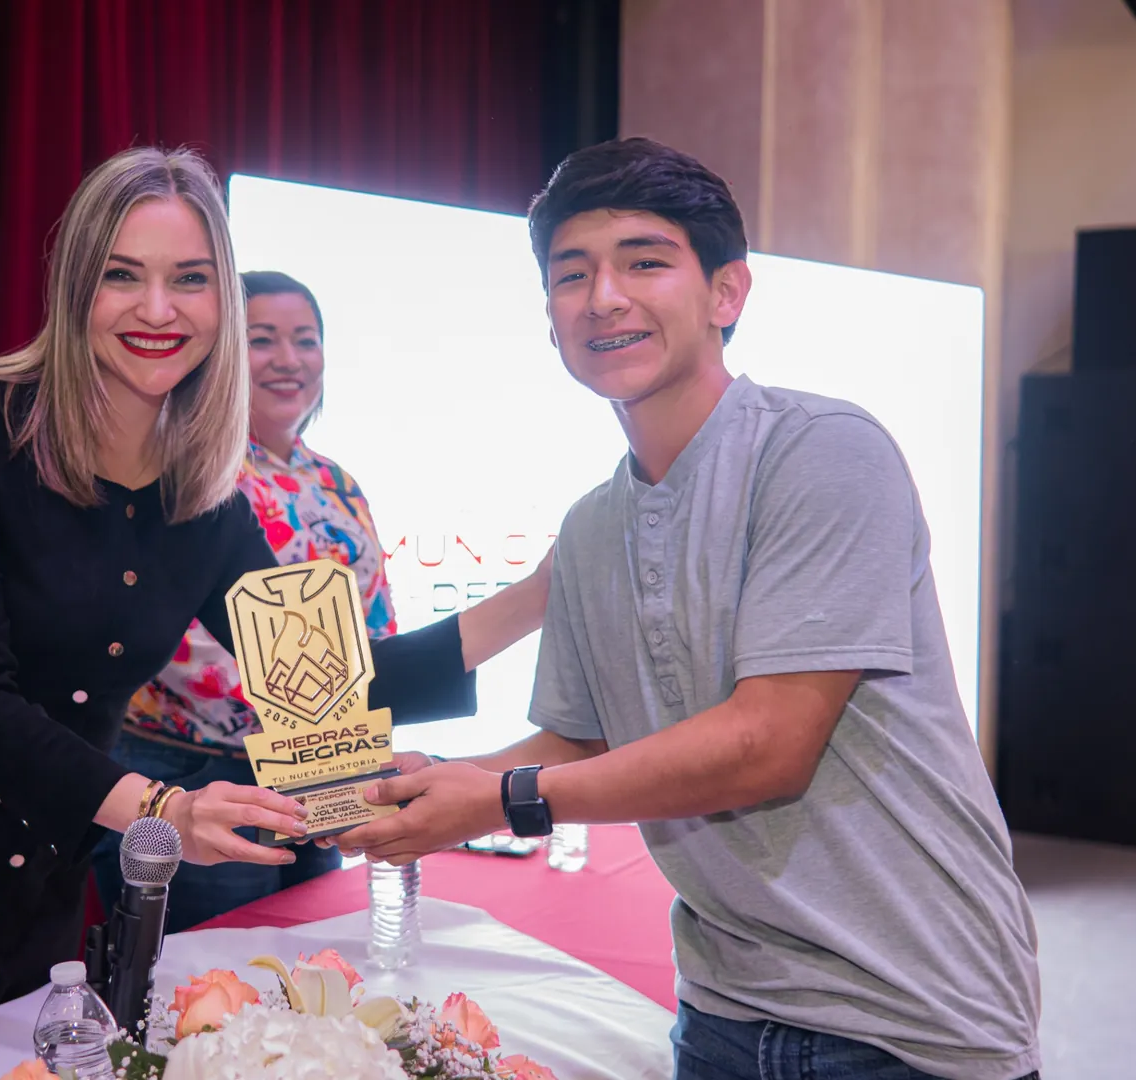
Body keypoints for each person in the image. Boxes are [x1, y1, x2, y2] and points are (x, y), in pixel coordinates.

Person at [0, 146, 545, 1079]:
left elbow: (329, 681)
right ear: (76, 287)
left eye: (189, 279)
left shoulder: (206, 496)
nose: (158, 310)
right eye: (123, 276)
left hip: (35, 855)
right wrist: (164, 810)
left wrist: (538, 595)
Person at [332, 138, 1043, 1080]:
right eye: (571, 274)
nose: (603, 297)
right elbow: (582, 740)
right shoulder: (591, 525)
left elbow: (767, 744)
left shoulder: (821, 449)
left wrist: (494, 800)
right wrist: (446, 781)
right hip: (720, 1002)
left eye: (644, 262)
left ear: (725, 293)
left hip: (908, 1009)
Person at [89, 270, 552, 932]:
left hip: (320, 775)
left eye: (305, 340)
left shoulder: (336, 483)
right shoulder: (182, 471)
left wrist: (354, 762)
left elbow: (373, 627)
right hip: (193, 775)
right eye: (262, 340)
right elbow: (199, 655)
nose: (289, 360)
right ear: (220, 353)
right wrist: (530, 599)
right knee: (208, 976)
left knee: (309, 962)